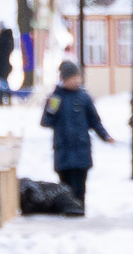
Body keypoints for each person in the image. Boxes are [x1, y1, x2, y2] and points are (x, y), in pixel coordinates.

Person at [39, 60, 113, 211]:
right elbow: (46, 122)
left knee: (80, 188)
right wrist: (51, 109)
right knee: (65, 188)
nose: (76, 80)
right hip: (63, 151)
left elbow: (94, 121)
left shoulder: (84, 98)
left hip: (81, 151)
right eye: (73, 78)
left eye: (78, 77)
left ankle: (79, 213)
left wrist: (105, 136)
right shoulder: (55, 98)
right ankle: (68, 213)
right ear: (64, 79)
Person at [0, 25, 18, 103]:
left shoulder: (0, 40)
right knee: (5, 80)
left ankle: (2, 98)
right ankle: (7, 98)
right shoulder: (9, 41)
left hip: (1, 63)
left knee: (2, 81)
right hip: (7, 63)